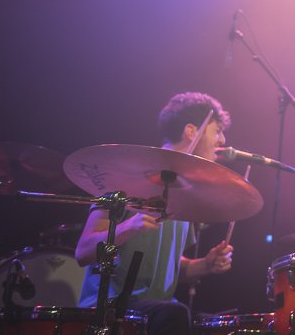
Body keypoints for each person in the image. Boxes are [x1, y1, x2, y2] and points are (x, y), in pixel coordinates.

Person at [75, 92, 235, 335]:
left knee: (222, 326)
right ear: (191, 132)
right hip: (108, 307)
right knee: (177, 313)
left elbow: (168, 267)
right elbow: (83, 252)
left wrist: (206, 265)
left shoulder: (186, 193)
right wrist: (129, 227)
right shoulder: (126, 179)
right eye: (217, 131)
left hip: (158, 310)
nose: (221, 139)